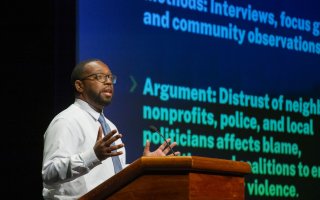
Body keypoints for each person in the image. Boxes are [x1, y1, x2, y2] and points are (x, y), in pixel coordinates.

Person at [42, 58, 179, 199]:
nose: (108, 82)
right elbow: (49, 172)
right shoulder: (66, 120)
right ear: (79, 86)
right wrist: (93, 156)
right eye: (99, 77)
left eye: (109, 77)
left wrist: (142, 165)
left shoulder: (110, 125)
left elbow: (112, 175)